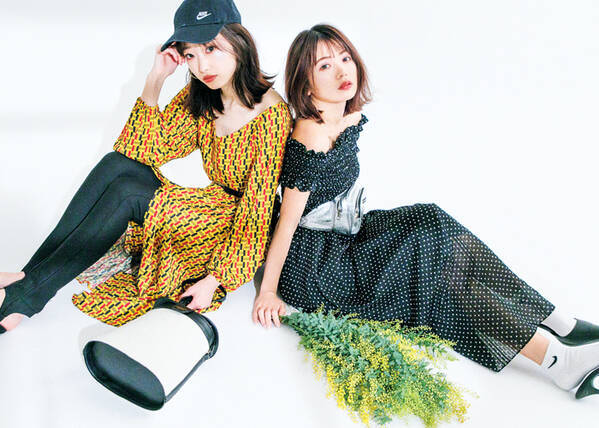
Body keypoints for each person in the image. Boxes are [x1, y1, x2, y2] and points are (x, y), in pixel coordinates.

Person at [252, 23, 599, 399]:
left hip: (346, 238)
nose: (341, 71)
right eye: (324, 66)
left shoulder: (341, 117)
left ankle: (556, 324)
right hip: (317, 269)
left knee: (431, 221)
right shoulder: (311, 133)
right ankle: (557, 359)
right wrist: (268, 290)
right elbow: (288, 222)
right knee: (436, 268)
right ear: (305, 84)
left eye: (345, 58)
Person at [0, 0, 291, 331]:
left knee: (127, 193)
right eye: (190, 54)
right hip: (208, 204)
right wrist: (156, 79)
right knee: (115, 164)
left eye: (211, 48)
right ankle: (24, 280)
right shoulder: (206, 93)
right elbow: (145, 150)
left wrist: (215, 279)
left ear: (240, 41)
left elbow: (257, 215)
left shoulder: (271, 117)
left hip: (230, 227)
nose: (201, 65)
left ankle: (24, 299)